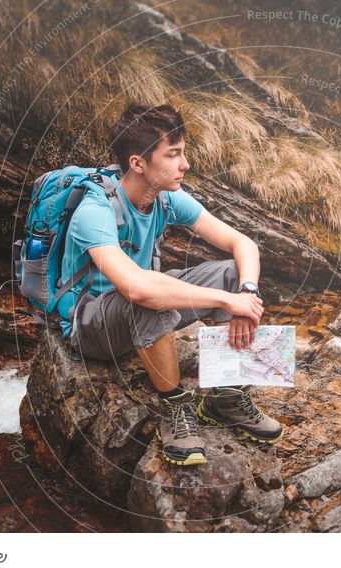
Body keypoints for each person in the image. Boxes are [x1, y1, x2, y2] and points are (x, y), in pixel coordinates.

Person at [57, 103, 284, 466]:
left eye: (184, 153)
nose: (185, 164)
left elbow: (243, 245)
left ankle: (225, 397)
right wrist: (227, 302)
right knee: (147, 295)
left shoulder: (165, 198)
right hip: (90, 326)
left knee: (231, 272)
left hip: (137, 306)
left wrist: (246, 293)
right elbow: (139, 289)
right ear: (138, 163)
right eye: (174, 154)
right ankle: (175, 408)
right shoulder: (94, 212)